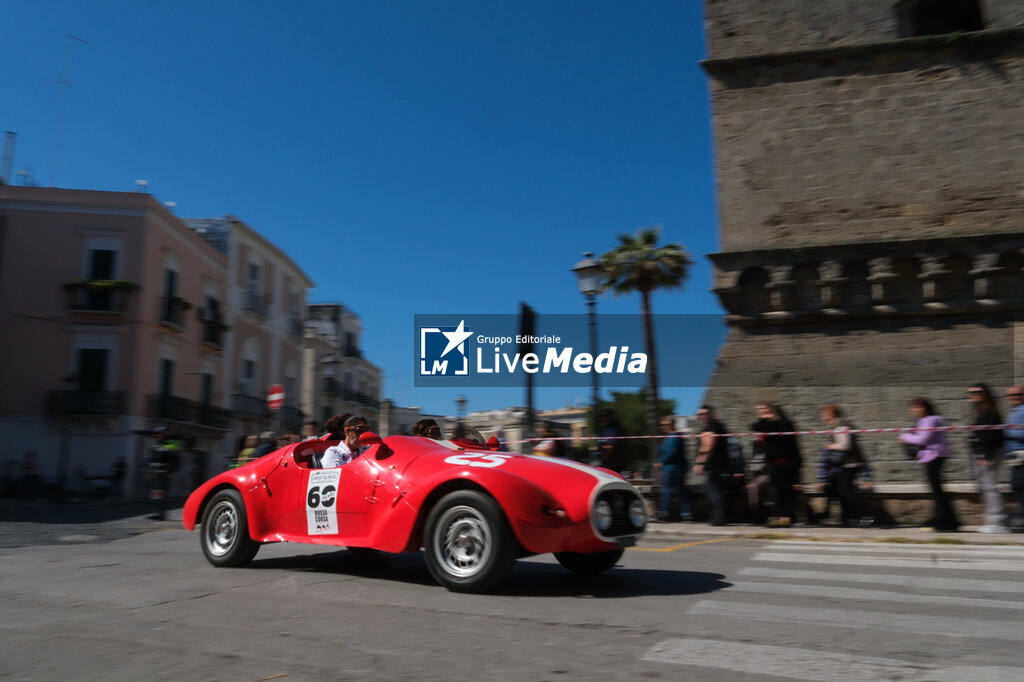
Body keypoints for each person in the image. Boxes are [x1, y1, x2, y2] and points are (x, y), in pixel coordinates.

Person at [899, 397, 959, 532]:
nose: (916, 410)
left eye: (919, 407)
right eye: (914, 407)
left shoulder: (931, 419)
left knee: (937, 490)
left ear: (926, 407)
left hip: (934, 456)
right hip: (930, 456)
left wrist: (905, 437)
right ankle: (948, 520)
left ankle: (942, 521)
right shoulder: (925, 420)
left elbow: (923, 439)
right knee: (937, 489)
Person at [816, 404, 873, 527]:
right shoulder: (836, 426)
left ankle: (862, 514)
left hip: (849, 464)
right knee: (840, 491)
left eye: (824, 415)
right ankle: (848, 517)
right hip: (842, 465)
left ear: (831, 415)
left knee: (845, 491)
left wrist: (830, 446)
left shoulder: (840, 426)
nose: (822, 417)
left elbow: (845, 445)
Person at [751, 402, 803, 527]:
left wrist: (765, 418)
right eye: (759, 409)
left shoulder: (780, 423)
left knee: (782, 490)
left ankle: (785, 517)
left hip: (783, 461)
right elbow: (755, 426)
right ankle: (785, 517)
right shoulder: (769, 423)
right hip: (774, 462)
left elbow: (791, 445)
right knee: (778, 490)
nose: (761, 412)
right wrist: (764, 418)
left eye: (764, 409)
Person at [967, 383, 1008, 533]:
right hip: (983, 453)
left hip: (990, 453)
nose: (974, 395)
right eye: (971, 393)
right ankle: (994, 520)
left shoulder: (990, 411)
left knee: (989, 486)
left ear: (985, 394)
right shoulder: (979, 410)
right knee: (985, 487)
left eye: (978, 392)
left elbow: (993, 436)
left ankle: (998, 522)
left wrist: (986, 456)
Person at [695, 405, 739, 526]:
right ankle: (720, 515)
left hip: (715, 465)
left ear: (711, 413)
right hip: (722, 465)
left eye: (704, 413)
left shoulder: (712, 426)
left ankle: (720, 517)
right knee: (717, 490)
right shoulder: (716, 425)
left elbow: (707, 446)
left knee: (713, 490)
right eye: (700, 414)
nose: (702, 416)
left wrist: (700, 463)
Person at [653, 416, 690, 522]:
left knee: (666, 490)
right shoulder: (673, 436)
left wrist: (661, 461)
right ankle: (686, 514)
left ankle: (664, 513)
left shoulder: (673, 436)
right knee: (682, 490)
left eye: (664, 425)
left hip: (671, 468)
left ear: (671, 425)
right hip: (679, 467)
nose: (662, 427)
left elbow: (671, 451)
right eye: (661, 425)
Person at [1003, 385, 1024, 530]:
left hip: (1021, 454)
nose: (1014, 397)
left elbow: (1021, 433)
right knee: (1017, 487)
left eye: (1017, 394)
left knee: (1018, 486)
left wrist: (1006, 431)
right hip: (1014, 455)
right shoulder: (1015, 411)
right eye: (1011, 395)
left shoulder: (1022, 411)